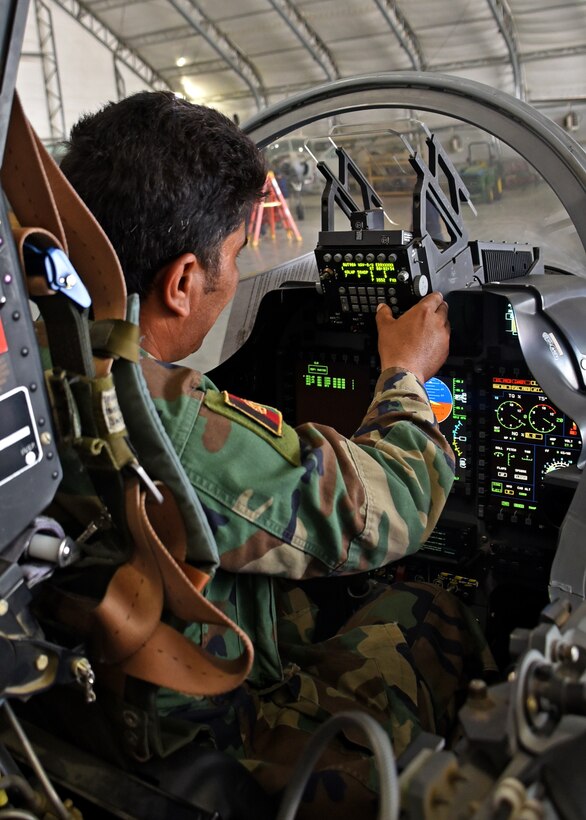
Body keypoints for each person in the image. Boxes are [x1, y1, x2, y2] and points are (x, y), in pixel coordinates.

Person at [60, 91, 494, 818]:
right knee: (434, 610)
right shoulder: (162, 415)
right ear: (183, 283)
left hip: (89, 702)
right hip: (204, 733)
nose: (236, 273)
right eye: (235, 255)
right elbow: (387, 507)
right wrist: (405, 376)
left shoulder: (39, 367)